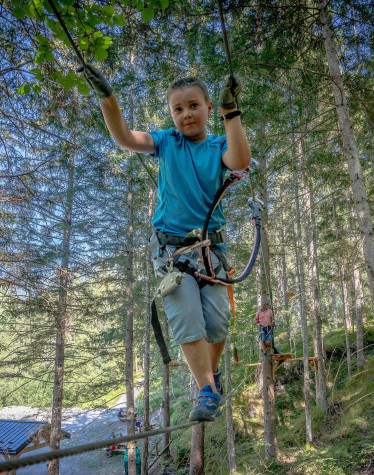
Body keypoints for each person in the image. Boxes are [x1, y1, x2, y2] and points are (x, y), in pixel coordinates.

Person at [79, 64, 251, 422]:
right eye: (177, 109)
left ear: (206, 108)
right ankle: (206, 389)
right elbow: (125, 137)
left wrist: (230, 112)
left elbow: (240, 160)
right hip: (172, 252)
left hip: (210, 251)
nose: (185, 114)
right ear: (171, 114)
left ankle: (211, 379)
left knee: (217, 322)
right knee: (188, 318)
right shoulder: (166, 142)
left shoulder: (219, 145)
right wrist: (107, 98)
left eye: (193, 106)